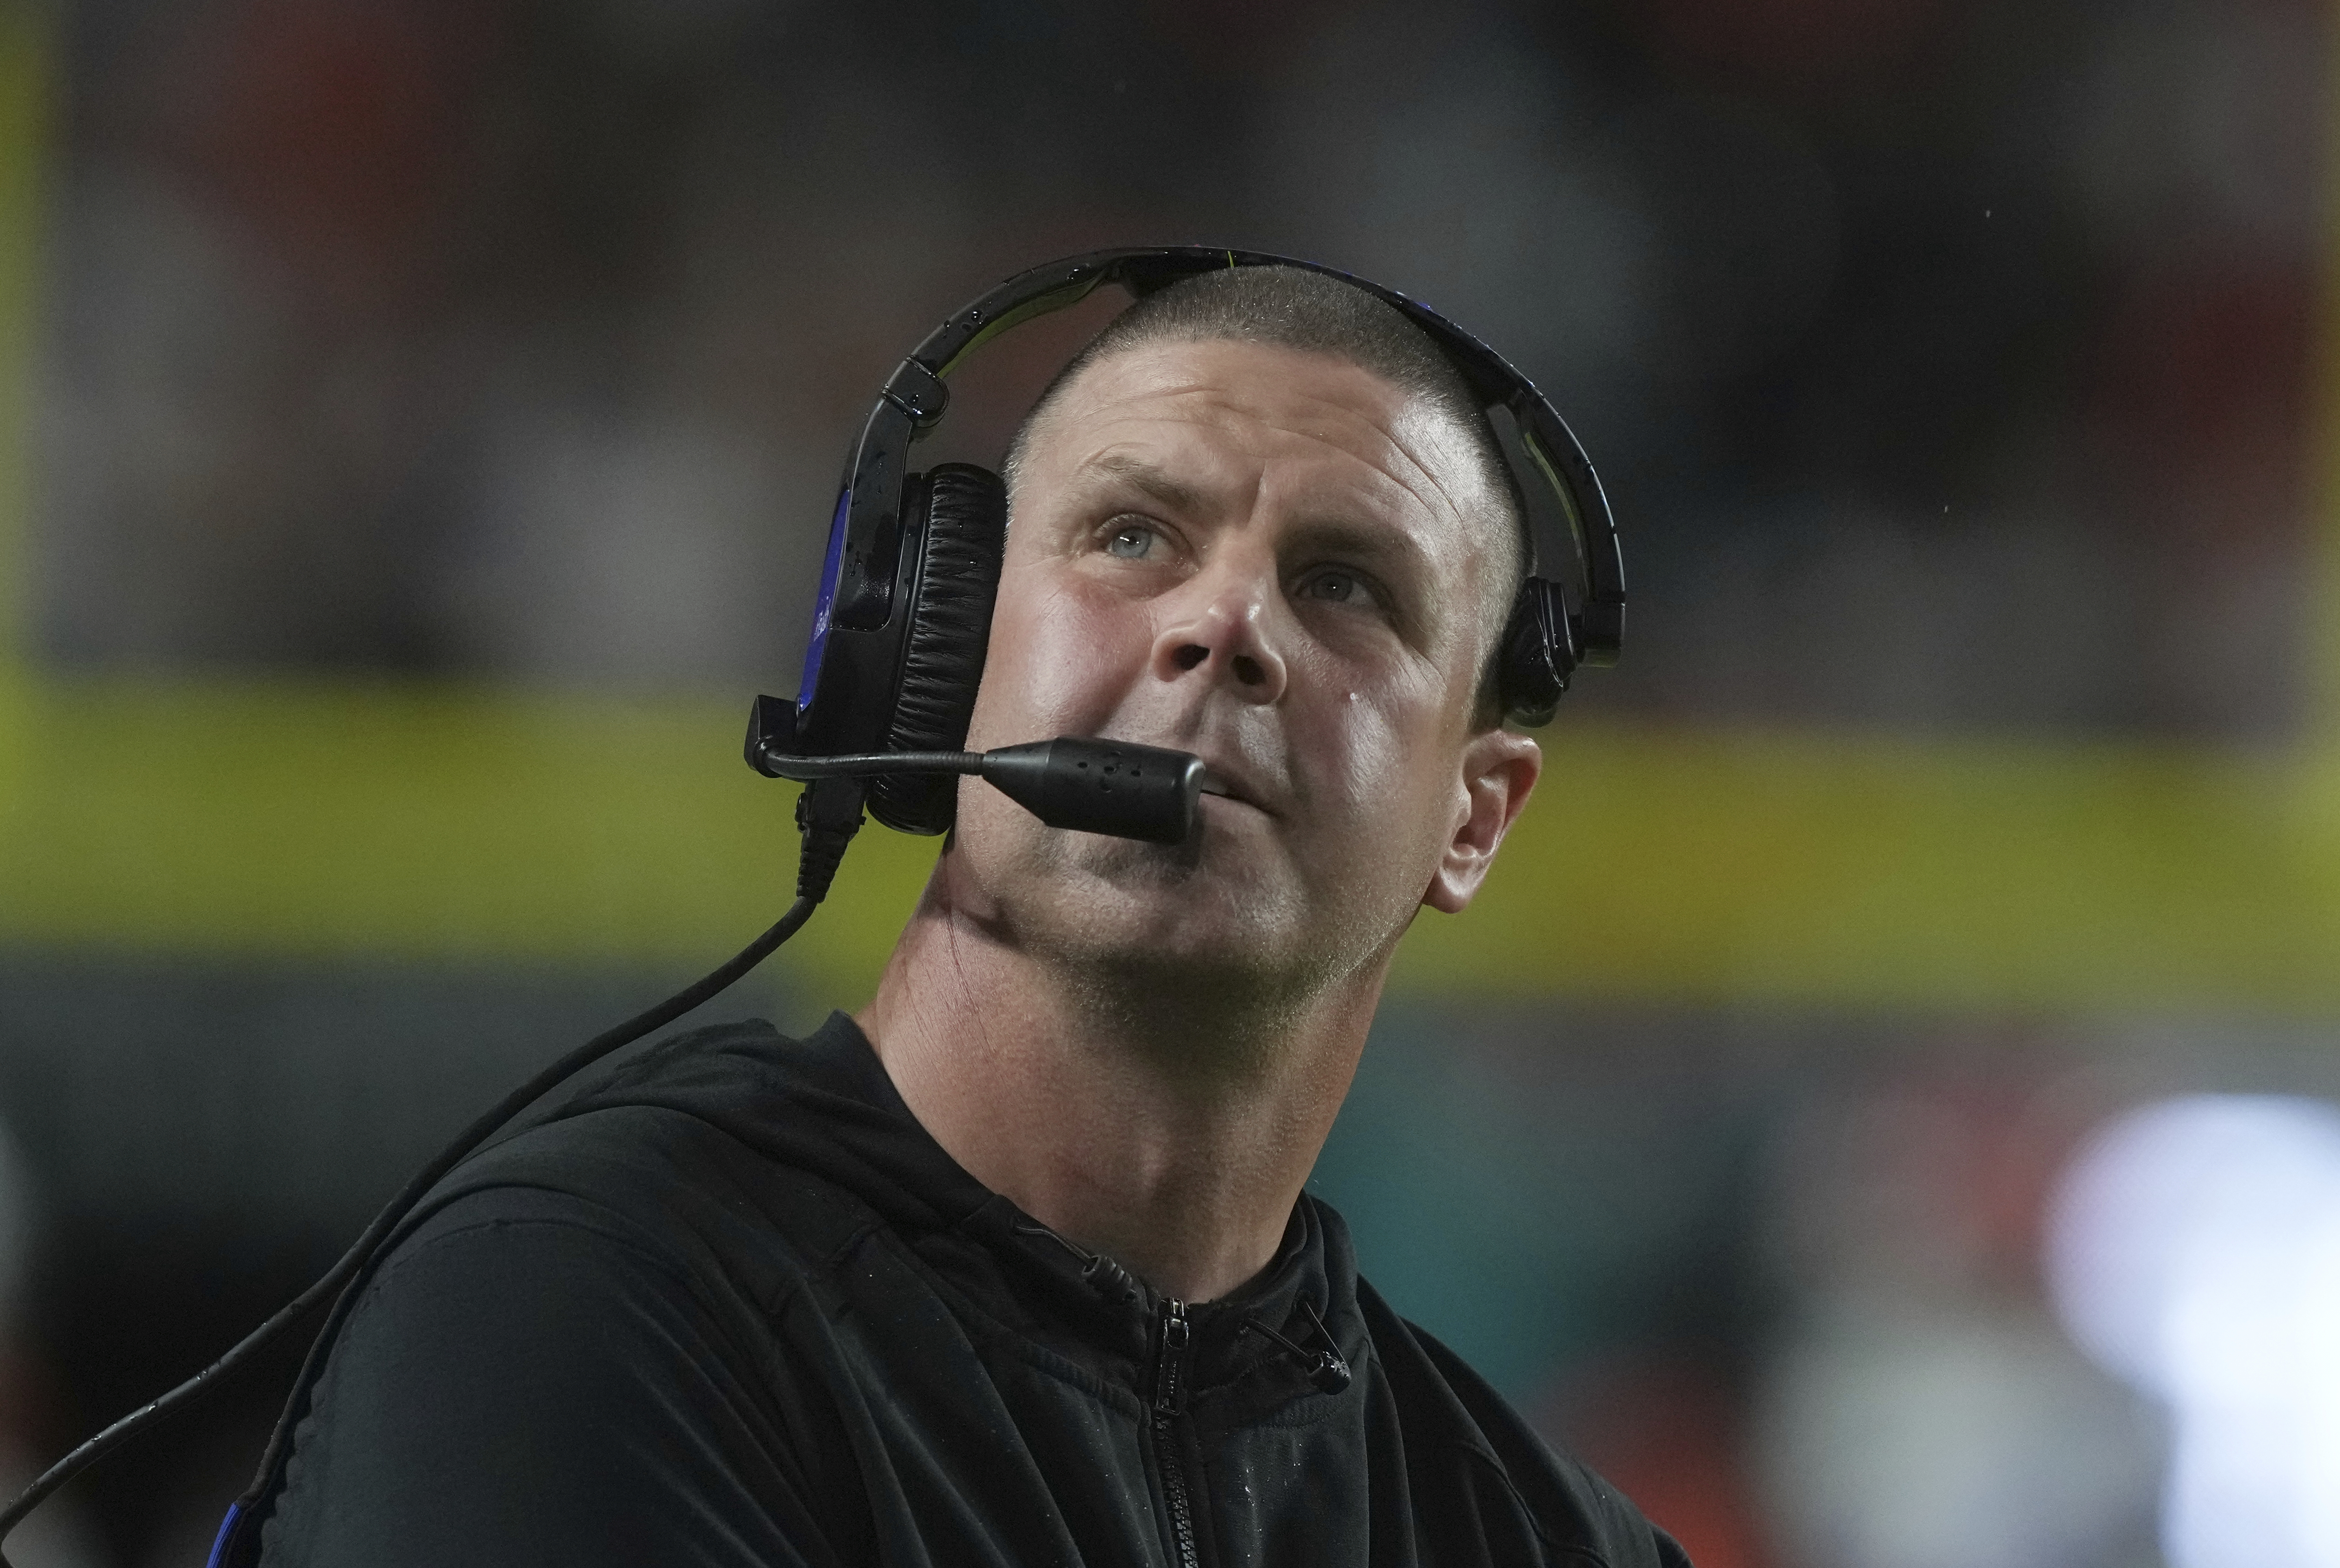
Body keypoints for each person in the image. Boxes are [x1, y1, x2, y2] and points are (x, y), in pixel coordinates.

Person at [250, 265, 1691, 1567]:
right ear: (936, 663)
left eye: (1344, 584)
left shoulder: (1551, 1540)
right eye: (1132, 535)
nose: (1226, 623)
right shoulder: (572, 1299)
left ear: (1475, 816)